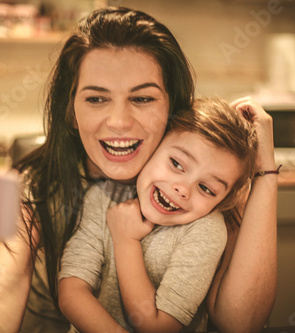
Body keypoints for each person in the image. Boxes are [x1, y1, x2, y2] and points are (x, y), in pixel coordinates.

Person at [0, 6, 277, 333]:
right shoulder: (35, 190)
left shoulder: (204, 186)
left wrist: (266, 171)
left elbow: (240, 325)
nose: (119, 122)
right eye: (96, 99)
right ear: (70, 112)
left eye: (141, 99)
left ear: (172, 110)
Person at [59, 97, 258, 332]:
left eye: (206, 189)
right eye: (176, 163)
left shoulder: (206, 230)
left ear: (222, 201)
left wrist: (125, 241)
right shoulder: (102, 196)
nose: (182, 189)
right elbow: (71, 291)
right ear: (154, 146)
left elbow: (157, 327)